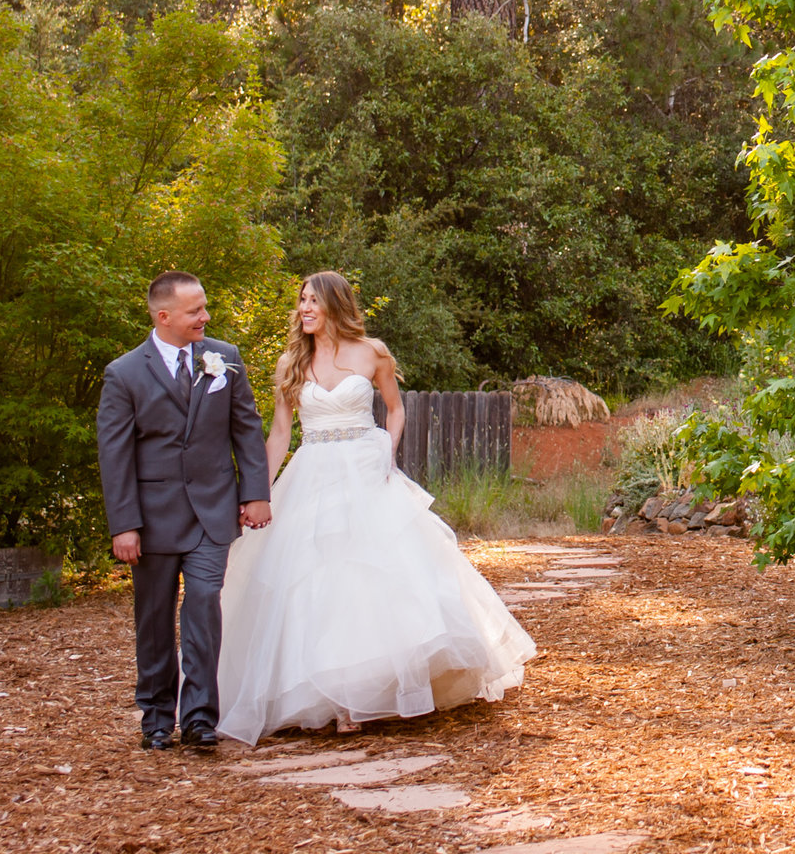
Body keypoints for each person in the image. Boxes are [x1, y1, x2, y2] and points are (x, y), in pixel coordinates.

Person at [216, 271, 535, 742]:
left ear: (335, 305)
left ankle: (364, 694)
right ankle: (331, 696)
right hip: (313, 475)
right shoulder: (291, 363)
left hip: (365, 471)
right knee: (314, 580)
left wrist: (387, 448)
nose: (304, 308)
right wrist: (257, 490)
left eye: (313, 301)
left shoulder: (373, 353)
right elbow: (281, 433)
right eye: (301, 301)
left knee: (369, 575)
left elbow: (395, 407)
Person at [95, 271, 272, 751]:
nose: (205, 317)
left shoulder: (225, 359)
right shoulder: (124, 373)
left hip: (211, 514)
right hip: (151, 520)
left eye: (205, 308)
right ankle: (155, 716)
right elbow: (115, 456)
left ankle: (198, 717)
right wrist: (124, 524)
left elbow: (246, 428)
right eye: (195, 311)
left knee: (203, 606)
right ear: (164, 316)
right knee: (152, 616)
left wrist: (256, 492)